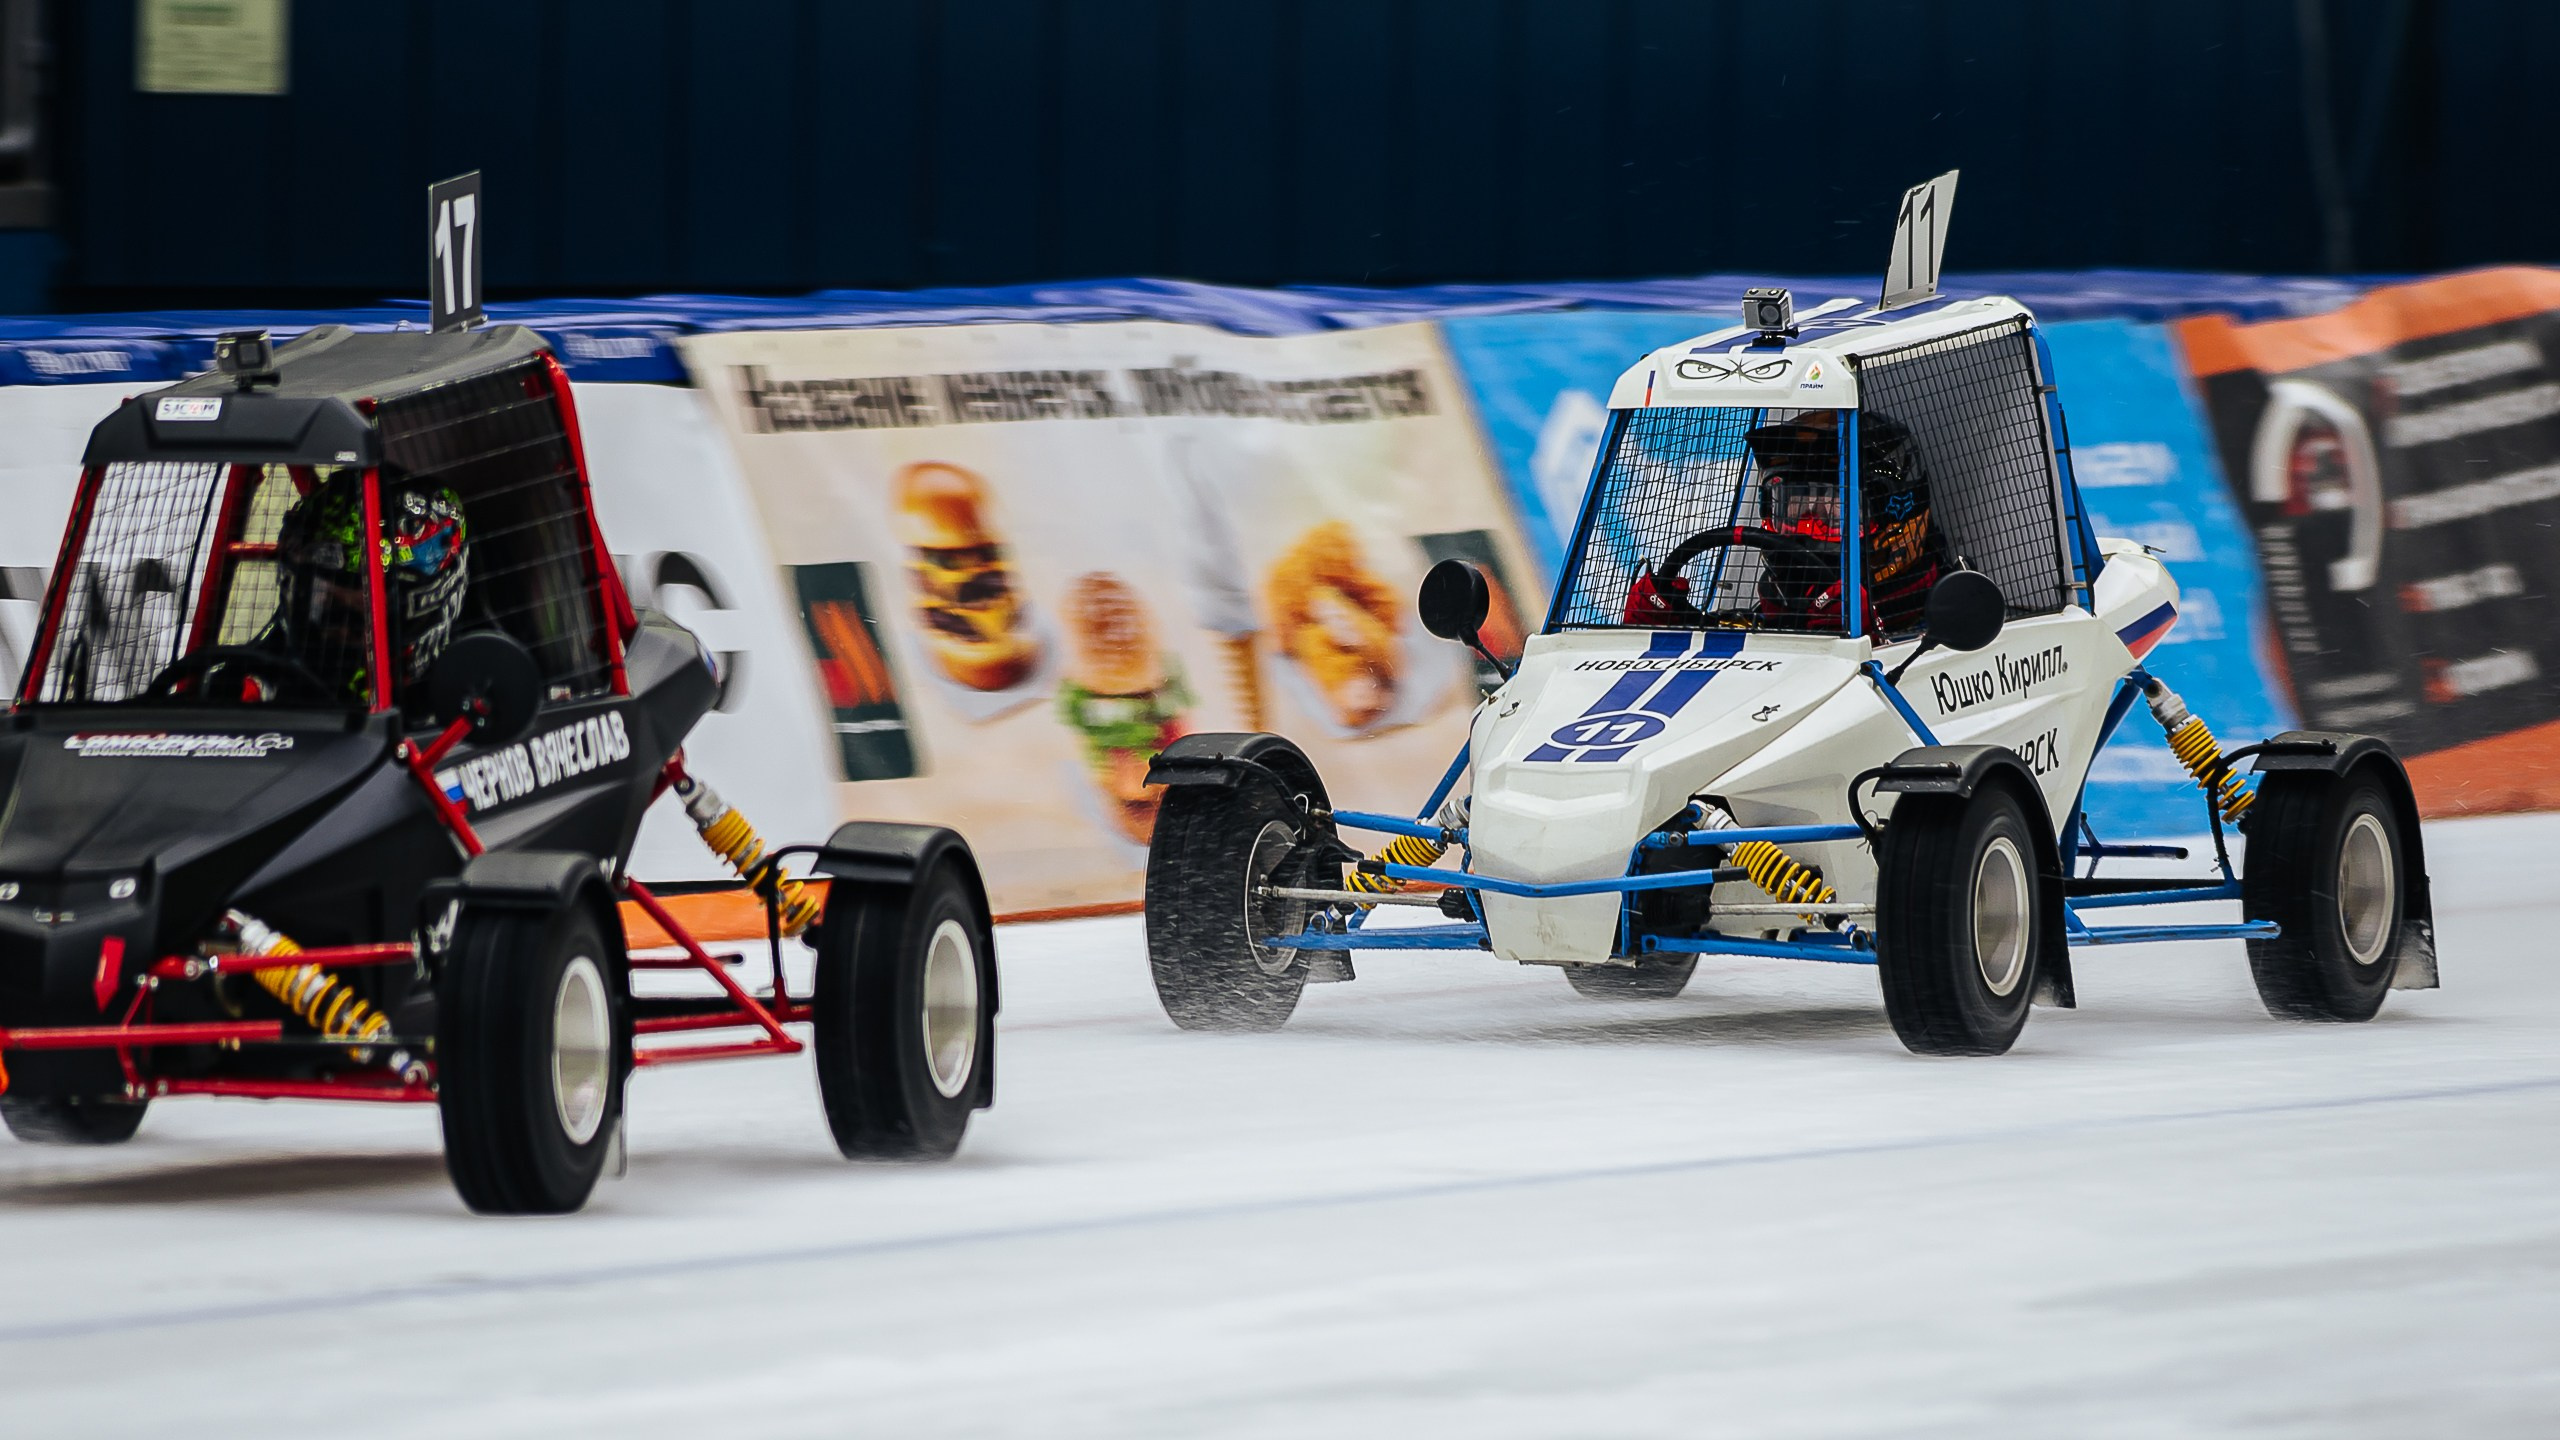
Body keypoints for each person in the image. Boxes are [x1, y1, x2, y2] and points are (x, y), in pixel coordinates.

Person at [1624, 410, 1949, 634]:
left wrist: (1868, 639)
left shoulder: (1952, 625)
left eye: (1832, 513)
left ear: (1894, 519)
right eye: (1794, 508)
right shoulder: (1771, 619)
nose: (1809, 524)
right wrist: (1666, 627)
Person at [268, 469, 470, 703]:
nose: (337, 635)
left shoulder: (469, 692)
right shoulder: (272, 668)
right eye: (322, 610)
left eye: (356, 620)